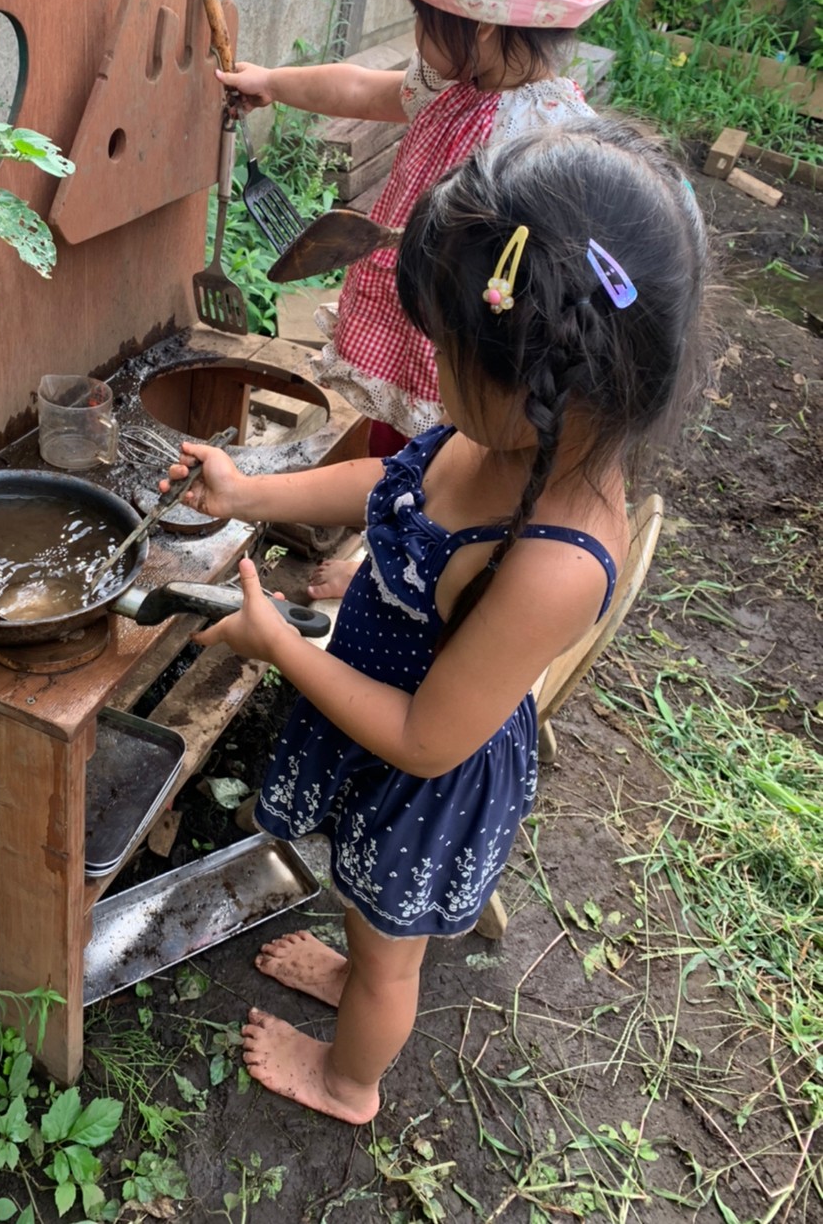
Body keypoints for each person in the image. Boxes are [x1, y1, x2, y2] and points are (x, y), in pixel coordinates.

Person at [160, 119, 707, 1124]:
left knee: (388, 954)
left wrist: (280, 641)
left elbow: (422, 737)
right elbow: (393, 480)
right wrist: (249, 493)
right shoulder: (510, 432)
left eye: (448, 352)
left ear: (543, 378)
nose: (429, 372)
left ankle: (348, 1077)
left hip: (426, 774)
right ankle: (356, 959)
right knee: (368, 923)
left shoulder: (552, 558)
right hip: (387, 716)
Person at [216, 0, 616, 599]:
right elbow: (365, 90)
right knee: (393, 439)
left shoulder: (546, 135)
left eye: (424, 20)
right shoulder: (456, 82)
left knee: (445, 453)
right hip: (412, 309)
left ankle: (391, 564)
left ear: (483, 24)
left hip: (471, 340)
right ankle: (377, 529)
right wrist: (273, 83)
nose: (415, 36)